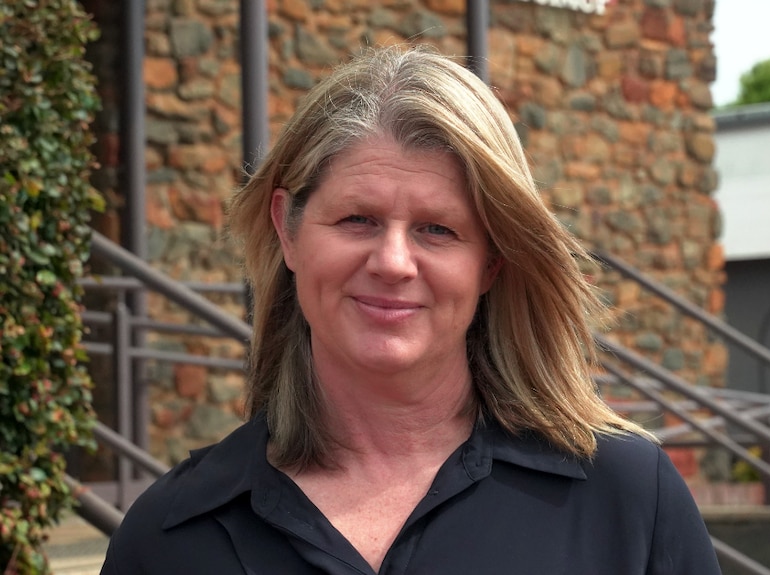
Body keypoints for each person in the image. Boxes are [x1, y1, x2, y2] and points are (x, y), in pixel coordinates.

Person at [101, 45, 721, 574]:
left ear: (493, 262)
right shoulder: (167, 538)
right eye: (357, 219)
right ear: (287, 231)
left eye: (438, 229)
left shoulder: (628, 500)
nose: (393, 261)